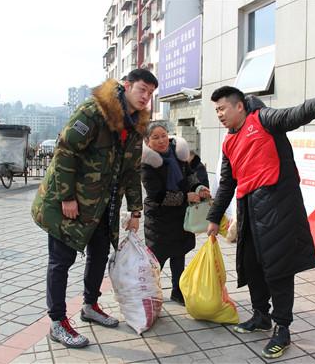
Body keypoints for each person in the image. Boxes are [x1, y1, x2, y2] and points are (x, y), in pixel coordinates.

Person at [206, 86, 315, 359]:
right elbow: (226, 184)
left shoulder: (263, 120)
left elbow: (290, 116)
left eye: (222, 108)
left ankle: (282, 328)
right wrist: (213, 217)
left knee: (278, 270)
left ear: (239, 106)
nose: (220, 115)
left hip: (277, 209)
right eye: (217, 111)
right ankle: (261, 316)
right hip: (248, 210)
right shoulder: (228, 142)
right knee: (252, 265)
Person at [31, 69, 158, 349]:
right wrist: (66, 197)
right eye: (142, 90)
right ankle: (57, 322)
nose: (146, 97)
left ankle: (90, 305)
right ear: (126, 86)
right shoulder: (93, 112)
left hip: (103, 206)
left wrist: (136, 211)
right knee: (61, 262)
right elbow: (65, 150)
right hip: (69, 203)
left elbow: (132, 171)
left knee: (99, 254)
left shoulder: (136, 124)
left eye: (150, 93)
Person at [141, 123, 210, 305]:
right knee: (157, 260)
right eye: (155, 138)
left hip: (180, 216)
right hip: (159, 219)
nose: (161, 140)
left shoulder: (177, 153)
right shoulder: (147, 164)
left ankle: (177, 291)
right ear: (147, 142)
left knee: (179, 255)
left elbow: (189, 176)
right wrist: (185, 196)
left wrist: (198, 188)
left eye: (163, 135)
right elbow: (156, 195)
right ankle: (151, 295)